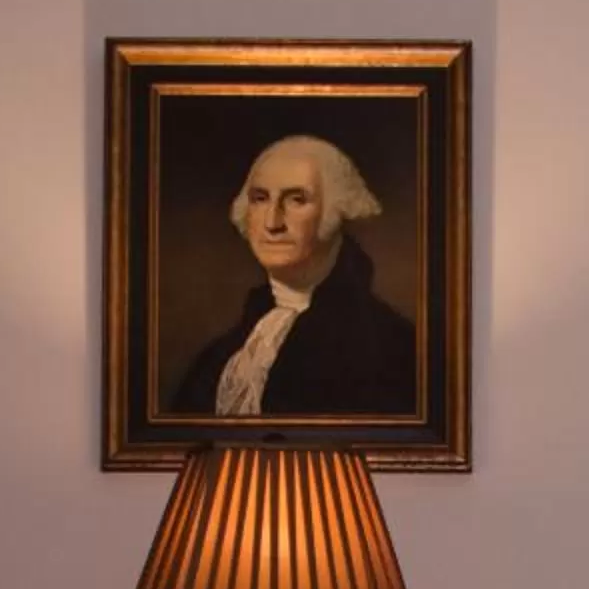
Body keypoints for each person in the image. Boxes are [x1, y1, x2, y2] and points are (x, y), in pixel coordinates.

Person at [169, 134, 417, 419]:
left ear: (336, 212)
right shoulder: (221, 355)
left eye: (297, 200)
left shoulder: (390, 349)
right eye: (260, 199)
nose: (272, 222)